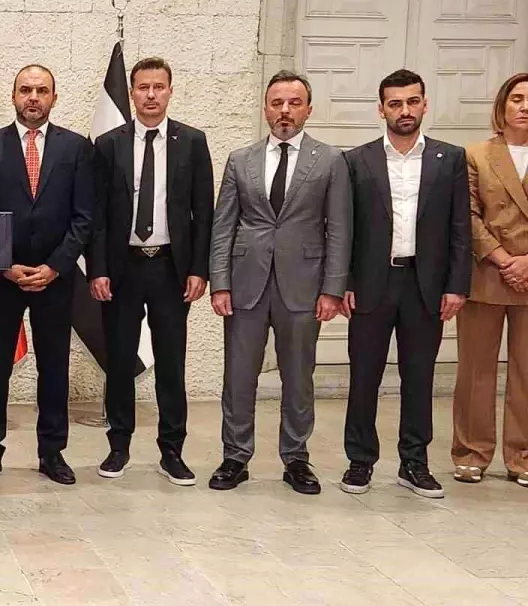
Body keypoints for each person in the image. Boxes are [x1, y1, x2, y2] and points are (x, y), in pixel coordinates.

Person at [208, 70, 351, 494]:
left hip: (304, 286)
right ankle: (235, 456)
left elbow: (339, 229)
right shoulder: (241, 159)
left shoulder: (330, 160)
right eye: (277, 103)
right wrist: (220, 282)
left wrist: (333, 289)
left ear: (308, 109)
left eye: (294, 103)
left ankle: (296, 458)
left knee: (298, 376)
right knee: (239, 375)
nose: (285, 111)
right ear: (265, 108)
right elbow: (223, 226)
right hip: (246, 284)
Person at [339, 69, 470, 498]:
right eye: (395, 103)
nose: (405, 110)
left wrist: (457, 285)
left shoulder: (449, 158)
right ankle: (360, 461)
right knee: (364, 377)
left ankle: (414, 462)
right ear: (381, 110)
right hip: (372, 284)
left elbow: (460, 227)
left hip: (424, 285)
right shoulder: (356, 161)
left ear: (425, 104)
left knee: (419, 377)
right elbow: (345, 228)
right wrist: (344, 281)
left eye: (412, 101)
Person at [86, 57, 214, 485]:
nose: (151, 95)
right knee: (120, 360)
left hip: (169, 268)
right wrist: (98, 269)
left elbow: (204, 212)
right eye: (143, 87)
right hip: (122, 267)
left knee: (171, 362)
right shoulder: (109, 144)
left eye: (159, 87)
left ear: (170, 91)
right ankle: (118, 445)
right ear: (132, 93)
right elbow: (97, 215)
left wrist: (199, 269)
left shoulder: (192, 142)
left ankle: (172, 450)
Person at [0, 64, 94, 485]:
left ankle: (52, 452)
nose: (33, 97)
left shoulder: (76, 148)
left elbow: (84, 217)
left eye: (42, 91)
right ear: (13, 96)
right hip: (2, 277)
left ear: (53, 99)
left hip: (54, 278)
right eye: (25, 89)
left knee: (54, 366)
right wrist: (4, 263)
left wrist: (55, 267)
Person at [452, 72, 528, 488]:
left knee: (526, 372)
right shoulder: (476, 154)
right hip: (487, 274)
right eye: (516, 98)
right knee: (475, 371)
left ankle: (522, 455)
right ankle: (471, 452)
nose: (524, 106)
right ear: (502, 106)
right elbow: (468, 215)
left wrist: (526, 263)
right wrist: (504, 259)